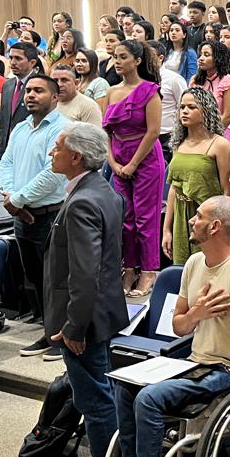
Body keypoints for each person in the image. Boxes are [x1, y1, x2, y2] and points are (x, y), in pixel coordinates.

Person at [90, 196, 230, 457]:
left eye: (198, 216)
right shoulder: (194, 264)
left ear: (215, 226)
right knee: (126, 386)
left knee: (150, 399)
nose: (191, 220)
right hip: (195, 362)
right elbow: (179, 326)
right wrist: (198, 313)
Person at [43, 122, 127, 457]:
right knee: (99, 392)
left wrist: (74, 327)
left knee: (94, 399)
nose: (52, 153)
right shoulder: (102, 190)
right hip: (101, 312)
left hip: (84, 319)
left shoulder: (82, 202)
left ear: (76, 157)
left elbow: (84, 274)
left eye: (57, 147)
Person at [0, 73, 70, 355]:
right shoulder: (21, 127)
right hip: (21, 214)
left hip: (49, 214)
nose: (30, 95)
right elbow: (6, 162)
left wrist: (17, 200)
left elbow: (53, 174)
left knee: (56, 280)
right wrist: (11, 196)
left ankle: (60, 337)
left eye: (38, 91)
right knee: (35, 277)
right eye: (28, 90)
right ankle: (48, 329)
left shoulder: (62, 129)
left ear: (55, 96)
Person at [102, 40, 165, 298]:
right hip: (119, 156)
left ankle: (149, 270)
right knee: (125, 218)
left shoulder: (150, 90)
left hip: (146, 157)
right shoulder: (111, 91)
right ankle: (129, 268)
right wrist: (114, 163)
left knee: (145, 217)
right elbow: (106, 132)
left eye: (123, 57)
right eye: (115, 57)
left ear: (137, 61)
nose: (117, 61)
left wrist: (133, 163)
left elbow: (153, 132)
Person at [162, 87, 230, 266]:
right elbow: (174, 188)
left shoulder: (220, 145)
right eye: (182, 107)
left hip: (208, 216)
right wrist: (166, 229)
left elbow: (227, 191)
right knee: (182, 270)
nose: (184, 111)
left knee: (207, 268)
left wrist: (222, 228)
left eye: (191, 107)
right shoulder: (178, 144)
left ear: (206, 110)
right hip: (180, 215)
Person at [0, 41, 43, 159]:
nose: (12, 62)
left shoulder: (42, 86)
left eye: (18, 58)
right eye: (11, 58)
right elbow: (3, 123)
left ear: (32, 62)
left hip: (31, 151)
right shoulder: (7, 85)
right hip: (8, 152)